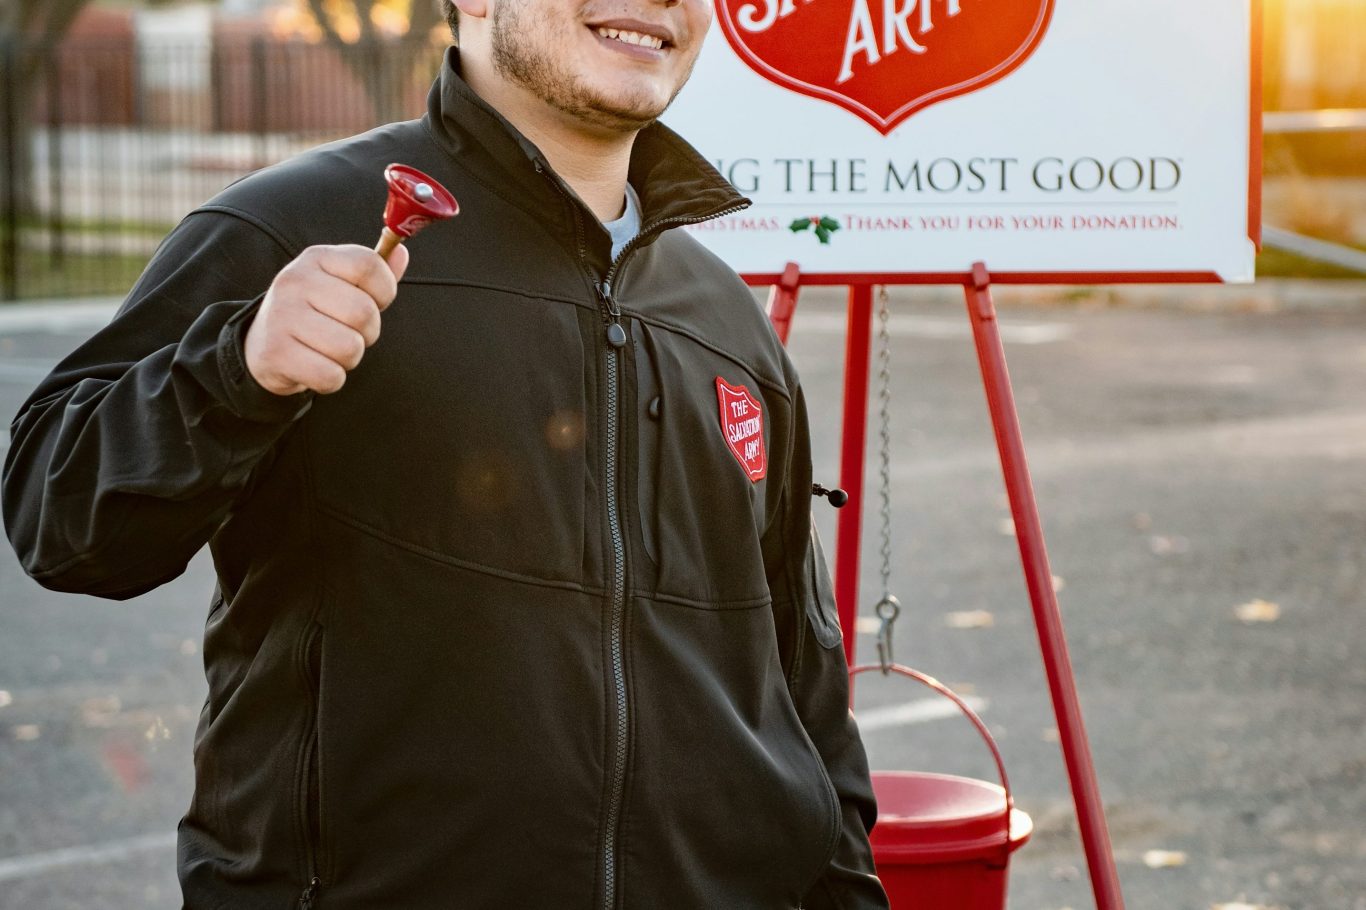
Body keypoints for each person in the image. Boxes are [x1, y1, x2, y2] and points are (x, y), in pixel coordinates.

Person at [2, 0, 889, 906]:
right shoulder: (292, 227)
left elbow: (806, 688)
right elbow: (62, 526)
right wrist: (235, 370)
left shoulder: (728, 321)